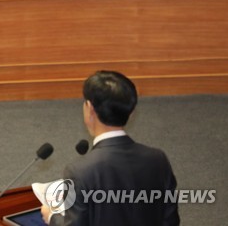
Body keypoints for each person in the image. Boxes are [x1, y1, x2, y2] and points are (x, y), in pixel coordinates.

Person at [42, 70, 180, 226]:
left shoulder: (79, 171)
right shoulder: (158, 159)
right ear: (132, 112)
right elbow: (171, 221)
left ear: (90, 109)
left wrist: (52, 217)